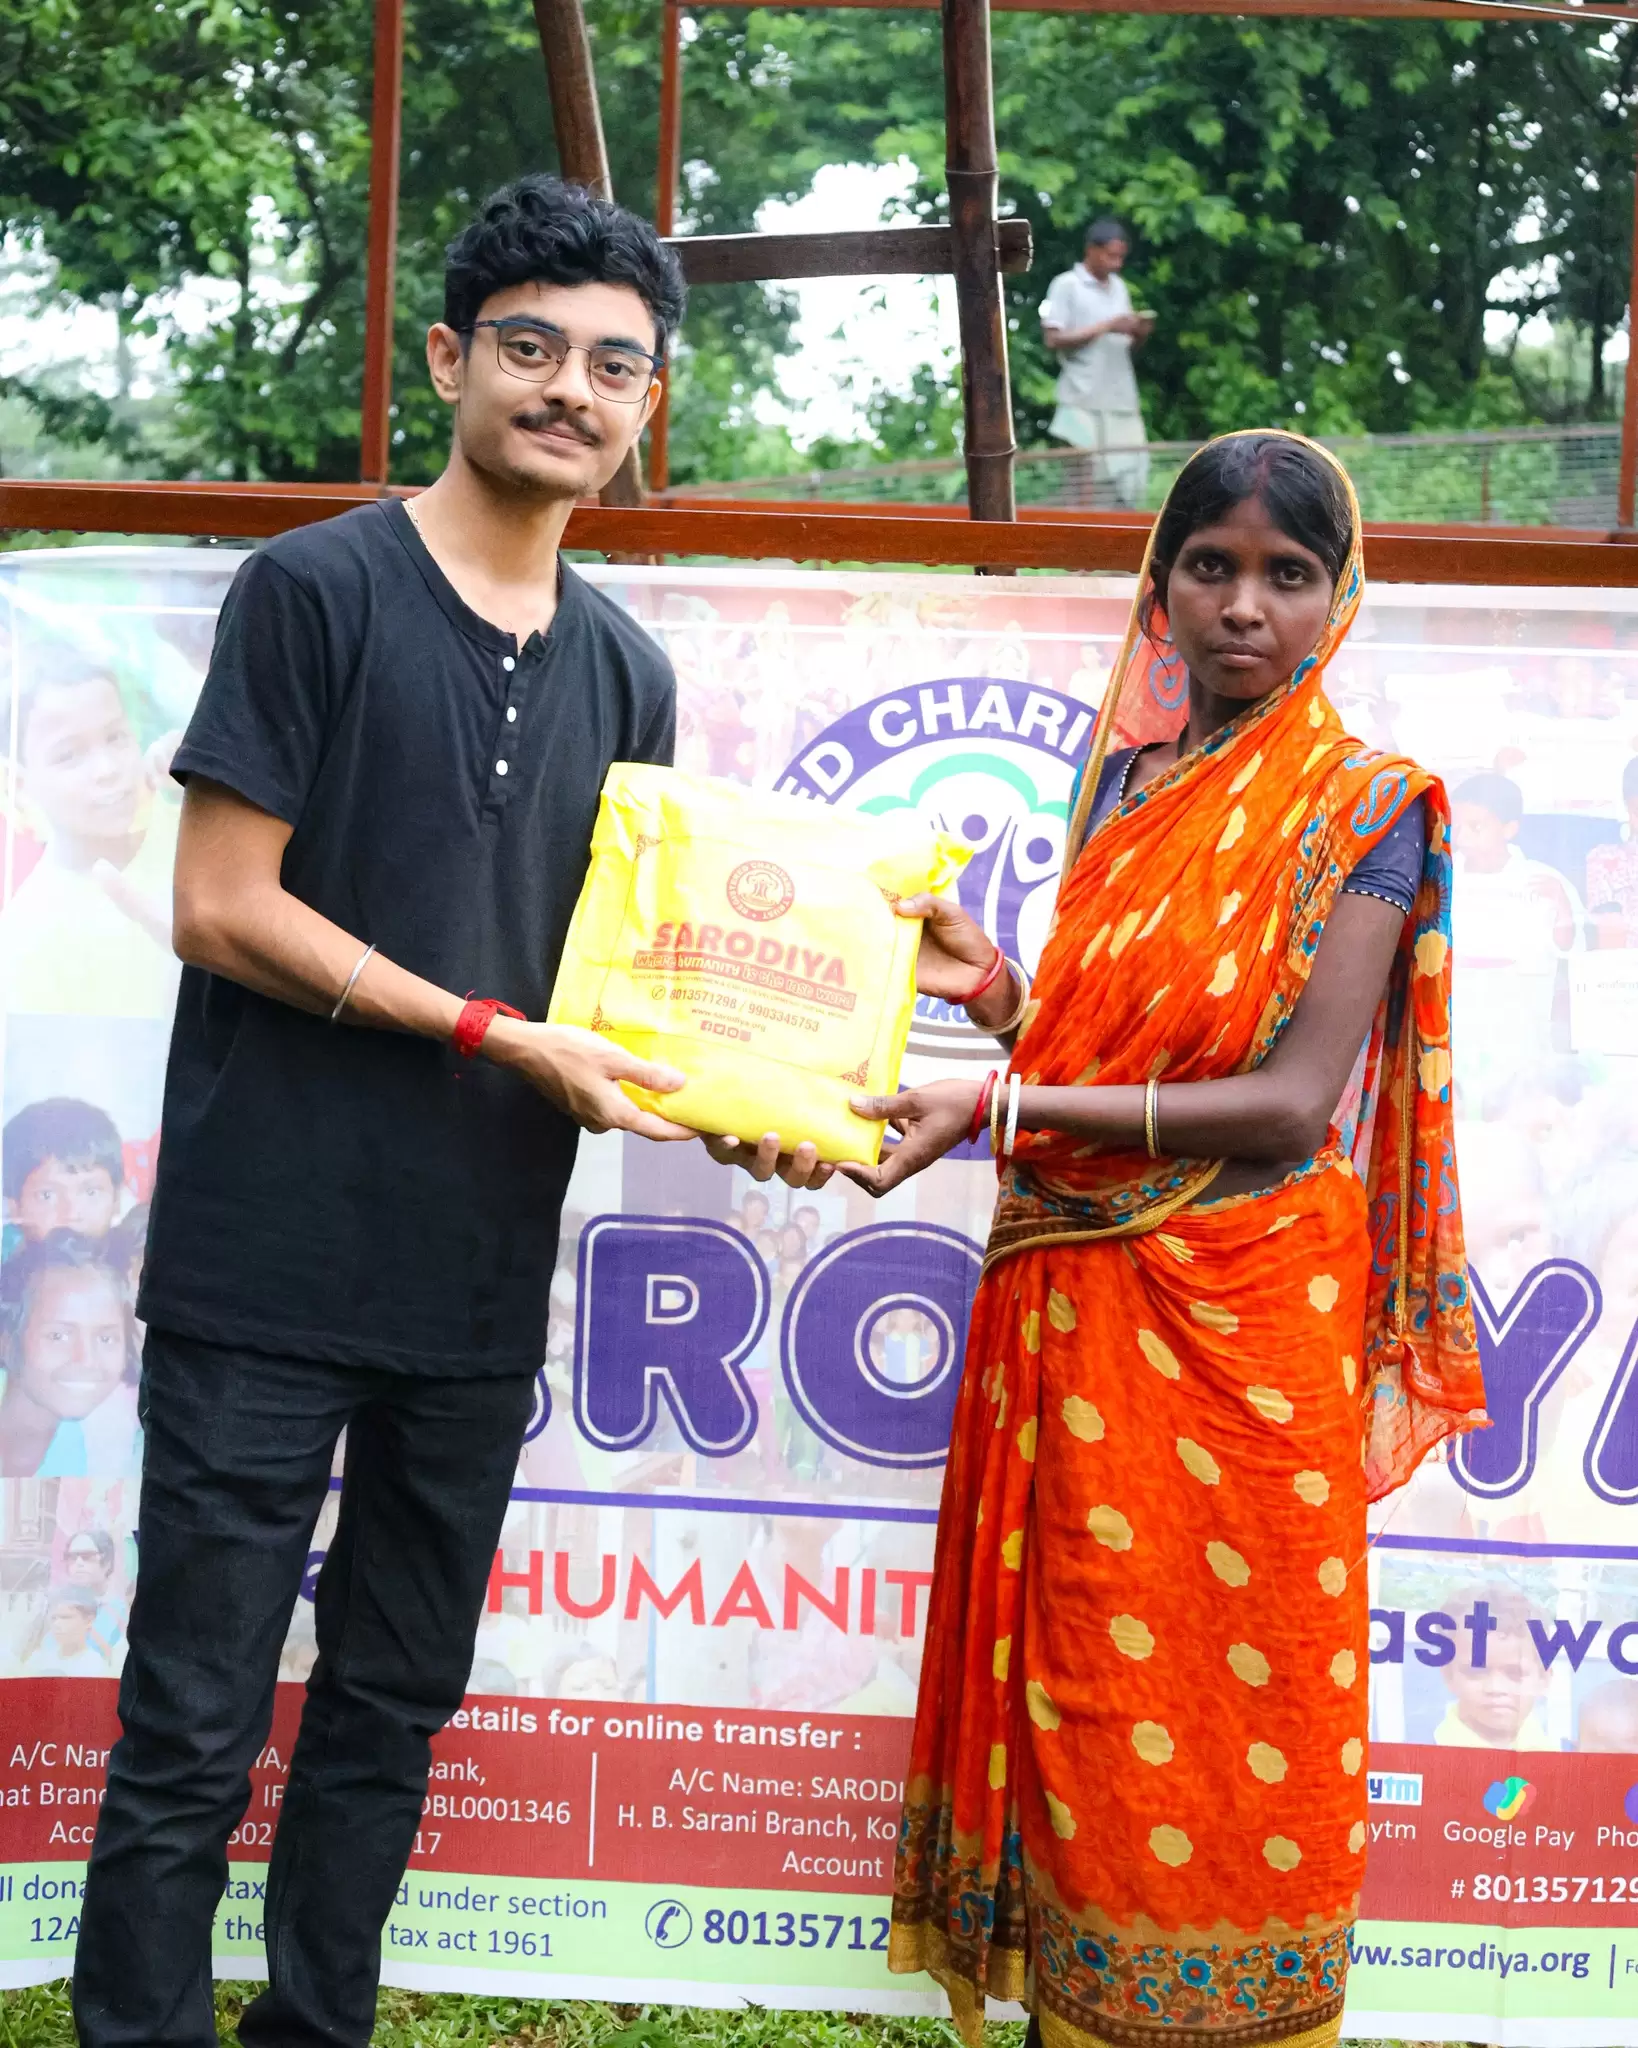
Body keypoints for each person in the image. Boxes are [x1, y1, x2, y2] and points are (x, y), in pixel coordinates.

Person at [71, 173, 826, 2048]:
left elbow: (627, 989)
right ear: (448, 360)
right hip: (262, 1257)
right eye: (531, 347)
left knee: (392, 1706)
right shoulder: (314, 590)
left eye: (614, 365)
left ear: (648, 404)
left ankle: (315, 2026)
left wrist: (769, 1088)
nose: (570, 389)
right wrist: (492, 1031)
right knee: (193, 1712)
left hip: (476, 1276)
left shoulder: (629, 673)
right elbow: (220, 904)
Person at [839, 432, 1486, 2048]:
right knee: (1080, 1691)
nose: (1243, 606)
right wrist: (999, 993)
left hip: (1239, 1334)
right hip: (1072, 1333)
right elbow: (1107, 1046)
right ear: (1160, 585)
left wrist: (996, 1101)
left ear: (1337, 596)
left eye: (1285, 574)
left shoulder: (1366, 807)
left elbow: (1282, 1101)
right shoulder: (1123, 788)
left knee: (1231, 1715)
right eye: (1210, 566)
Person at [0, 668, 182, 1017]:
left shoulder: (192, 826)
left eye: (116, 737)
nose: (107, 769)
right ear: (18, 785)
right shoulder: (26, 937)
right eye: (68, 755)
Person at [0, 1232, 141, 1479]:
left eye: (106, 1339)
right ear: (7, 1342)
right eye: (58, 1336)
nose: (86, 1360)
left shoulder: (110, 1454)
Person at [1040, 218, 1154, 509]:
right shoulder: (1067, 284)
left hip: (1120, 400)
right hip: (1080, 398)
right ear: (1091, 250)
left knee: (1128, 477)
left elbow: (1126, 347)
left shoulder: (1119, 287)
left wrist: (1138, 332)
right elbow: (1053, 338)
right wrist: (1107, 325)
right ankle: (1076, 533)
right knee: (1084, 480)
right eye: (1110, 256)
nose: (1116, 264)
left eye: (1120, 257)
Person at [2, 1097, 125, 1256]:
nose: (71, 1215)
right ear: (14, 1207)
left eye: (91, 1192)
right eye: (47, 1195)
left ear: (116, 1200)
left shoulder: (135, 1258)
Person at [62, 1527, 131, 1665]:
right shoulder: (56, 1607)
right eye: (72, 1557)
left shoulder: (121, 1612)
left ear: (107, 1563)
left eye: (87, 1557)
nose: (78, 1563)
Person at [23, 1583, 111, 1677]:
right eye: (54, 1618)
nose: (56, 1624)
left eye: (65, 1617)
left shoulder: (95, 1666)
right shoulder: (37, 1660)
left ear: (88, 1621)